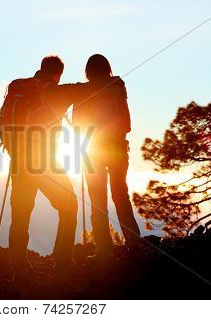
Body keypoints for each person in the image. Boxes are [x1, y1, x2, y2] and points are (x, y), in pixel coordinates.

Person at [0, 56, 78, 276]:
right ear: (57, 74)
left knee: (21, 215)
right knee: (69, 205)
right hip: (44, 162)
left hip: (18, 160)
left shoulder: (18, 86)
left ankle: (19, 269)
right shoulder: (53, 91)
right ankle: (63, 262)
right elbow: (79, 90)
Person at [71, 54, 141, 260]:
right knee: (121, 194)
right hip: (118, 148)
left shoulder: (82, 91)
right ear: (107, 68)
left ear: (88, 72)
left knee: (97, 200)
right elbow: (127, 124)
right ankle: (134, 242)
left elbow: (76, 126)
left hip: (92, 151)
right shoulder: (117, 85)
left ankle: (103, 250)